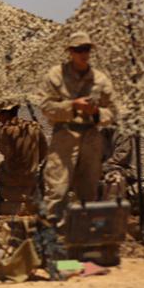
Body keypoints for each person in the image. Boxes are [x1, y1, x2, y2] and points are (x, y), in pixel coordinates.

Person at [39, 31, 117, 223]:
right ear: (70, 52)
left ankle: (84, 239)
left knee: (88, 191)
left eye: (86, 49)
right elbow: (46, 107)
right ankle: (53, 237)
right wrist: (73, 106)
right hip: (64, 135)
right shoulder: (56, 76)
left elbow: (114, 111)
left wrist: (96, 112)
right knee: (57, 189)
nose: (83, 53)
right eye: (78, 49)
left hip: (91, 136)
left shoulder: (100, 79)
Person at [0, 102, 47, 205]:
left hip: (11, 176)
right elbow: (43, 150)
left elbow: (4, 152)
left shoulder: (1, 131)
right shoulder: (34, 127)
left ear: (6, 114)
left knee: (1, 165)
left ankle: (0, 200)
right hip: (32, 176)